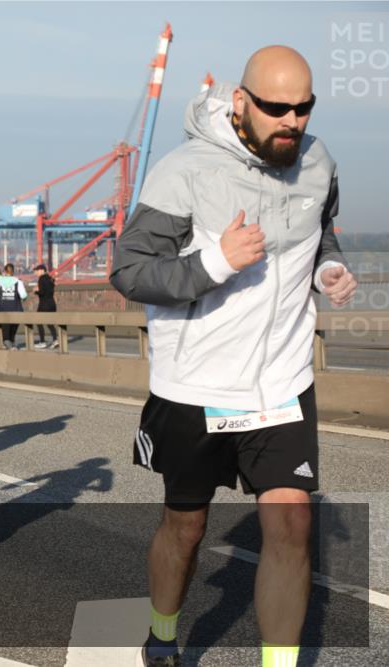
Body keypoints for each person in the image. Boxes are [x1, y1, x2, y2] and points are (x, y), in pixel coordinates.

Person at [109, 46, 357, 667]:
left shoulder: (319, 162)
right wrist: (217, 261)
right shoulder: (186, 170)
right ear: (241, 102)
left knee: (293, 524)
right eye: (277, 108)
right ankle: (163, 635)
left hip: (280, 382)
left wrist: (328, 268)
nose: (292, 122)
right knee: (185, 528)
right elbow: (130, 271)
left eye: (303, 108)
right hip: (195, 386)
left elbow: (320, 229)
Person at [0, 263, 27, 349]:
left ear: (4, 271)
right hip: (16, 309)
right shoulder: (18, 282)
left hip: (2, 309)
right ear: (13, 271)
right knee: (13, 327)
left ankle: (7, 342)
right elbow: (23, 296)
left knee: (4, 327)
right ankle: (11, 341)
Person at [32, 263, 59, 349]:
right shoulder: (50, 278)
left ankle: (42, 341)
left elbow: (42, 293)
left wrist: (36, 291)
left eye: (37, 271)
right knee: (50, 323)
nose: (35, 272)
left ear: (42, 270)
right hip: (52, 304)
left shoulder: (41, 278)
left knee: (39, 322)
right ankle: (55, 340)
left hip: (44, 304)